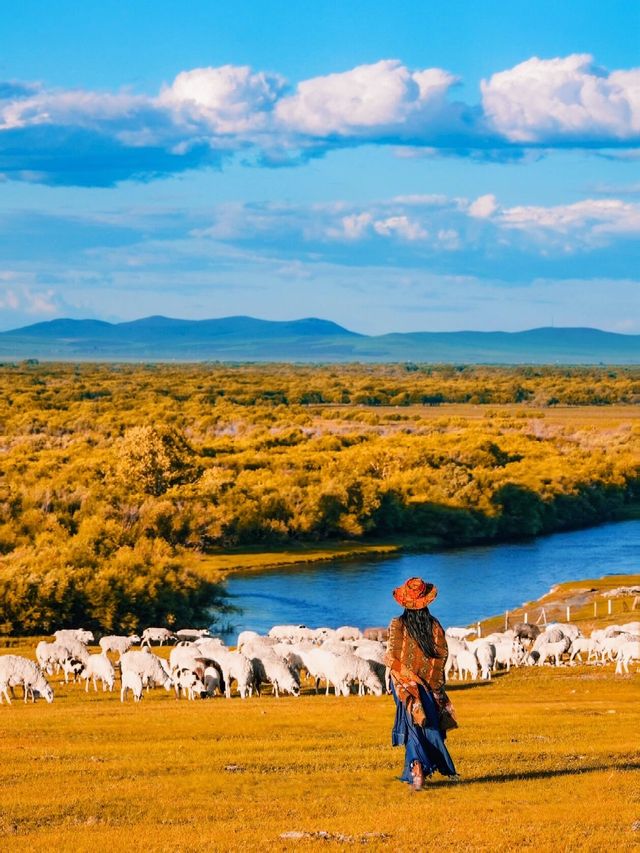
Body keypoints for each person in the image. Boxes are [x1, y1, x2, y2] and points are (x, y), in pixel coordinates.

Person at [385, 576, 458, 791]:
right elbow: (441, 656)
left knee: (412, 726)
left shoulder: (397, 624)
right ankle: (419, 768)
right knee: (427, 726)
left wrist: (399, 676)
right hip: (427, 686)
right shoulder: (434, 626)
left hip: (403, 686)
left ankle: (416, 768)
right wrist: (433, 684)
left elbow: (392, 655)